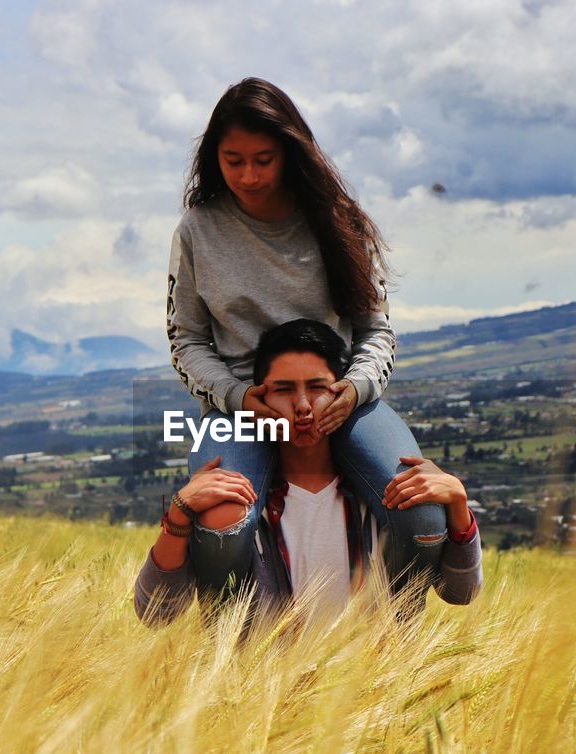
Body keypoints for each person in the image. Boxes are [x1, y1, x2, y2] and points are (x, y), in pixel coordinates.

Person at [167, 77, 445, 602]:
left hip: (340, 401)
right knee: (222, 522)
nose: (248, 175)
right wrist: (240, 399)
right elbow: (186, 341)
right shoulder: (196, 231)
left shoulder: (339, 222)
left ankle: (394, 647)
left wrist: (354, 391)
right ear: (213, 158)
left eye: (264, 159)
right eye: (233, 160)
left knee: (423, 515)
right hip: (242, 410)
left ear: (292, 152)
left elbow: (376, 330)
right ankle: (231, 661)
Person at [137, 320, 482, 629]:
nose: (302, 405)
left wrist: (457, 503)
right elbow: (155, 614)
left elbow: (462, 593)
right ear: (258, 399)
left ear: (342, 394)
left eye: (317, 388)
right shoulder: (239, 502)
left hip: (374, 689)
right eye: (284, 390)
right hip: (263, 695)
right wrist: (180, 511)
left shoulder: (385, 496)